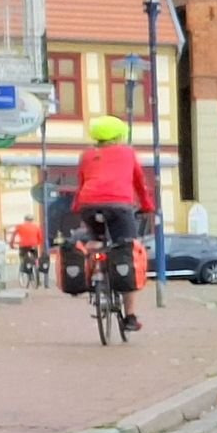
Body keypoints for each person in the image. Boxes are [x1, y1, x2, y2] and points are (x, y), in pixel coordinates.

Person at [70, 114, 154, 315]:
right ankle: (131, 315)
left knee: (96, 241)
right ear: (119, 135)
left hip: (89, 204)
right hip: (119, 206)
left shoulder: (86, 156)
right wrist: (147, 205)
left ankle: (91, 276)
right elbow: (139, 184)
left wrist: (77, 207)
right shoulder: (127, 153)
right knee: (127, 253)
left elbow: (82, 183)